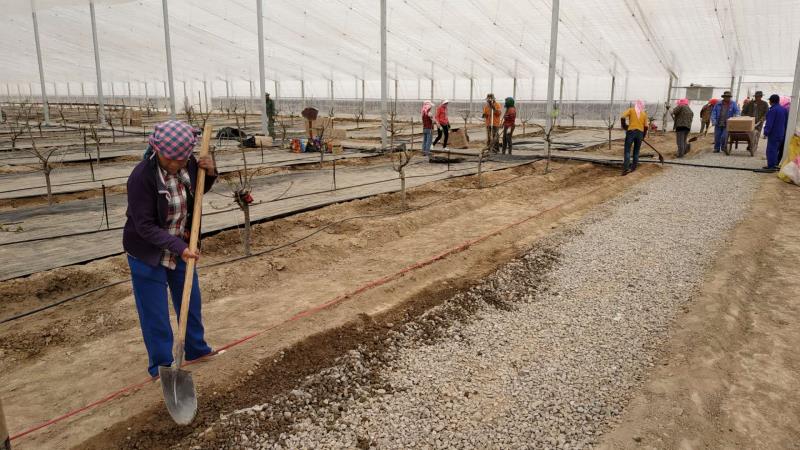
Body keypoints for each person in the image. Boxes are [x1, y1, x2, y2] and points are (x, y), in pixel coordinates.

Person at [124, 120, 217, 378]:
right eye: (170, 159)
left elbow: (197, 193)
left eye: (181, 159)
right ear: (157, 150)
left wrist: (210, 172)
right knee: (154, 312)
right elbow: (144, 226)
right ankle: (162, 366)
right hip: (147, 252)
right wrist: (179, 246)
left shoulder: (188, 164)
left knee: (190, 301)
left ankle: (196, 349)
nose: (175, 164)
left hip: (182, 245)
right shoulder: (141, 177)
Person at [620, 100, 649, 175]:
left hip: (631, 132)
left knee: (627, 151)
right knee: (636, 151)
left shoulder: (631, 110)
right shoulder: (644, 114)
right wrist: (643, 136)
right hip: (640, 133)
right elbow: (646, 127)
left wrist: (625, 126)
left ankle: (626, 169)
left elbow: (622, 117)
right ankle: (633, 168)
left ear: (636, 104)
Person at [763, 94, 789, 170]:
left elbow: (769, 123)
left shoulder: (772, 110)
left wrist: (766, 132)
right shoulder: (784, 110)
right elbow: (786, 122)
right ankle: (775, 165)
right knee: (776, 150)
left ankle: (771, 166)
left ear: (771, 101)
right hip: (781, 133)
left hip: (774, 134)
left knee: (771, 150)